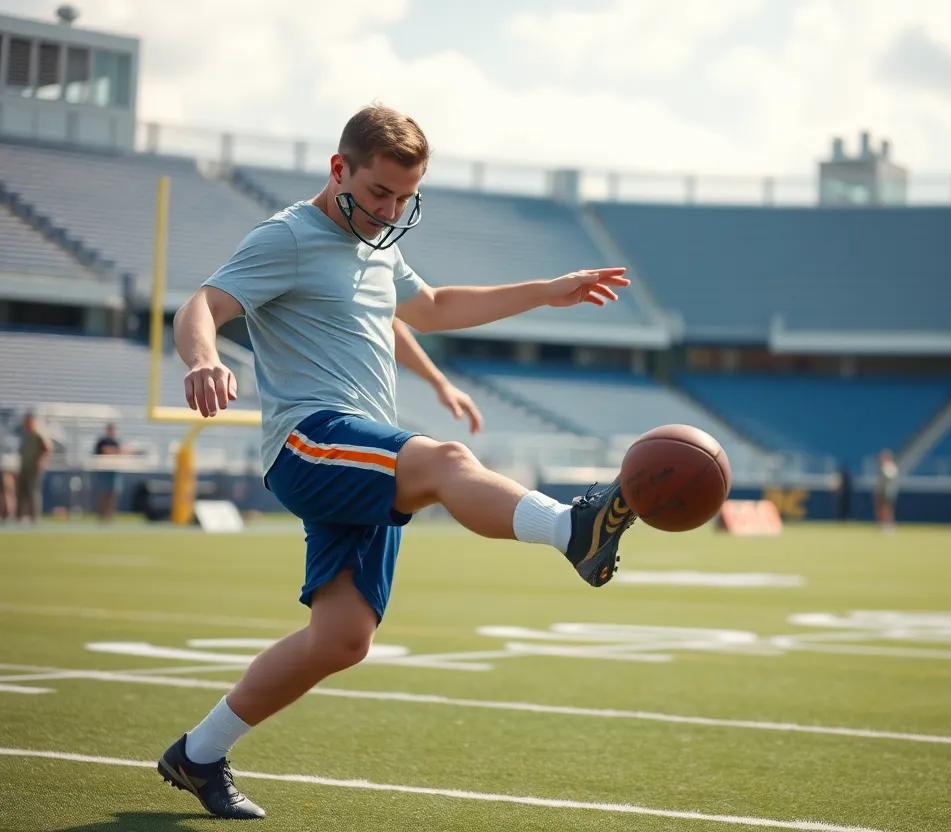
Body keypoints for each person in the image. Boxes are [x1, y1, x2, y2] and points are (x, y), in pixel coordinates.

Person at [157, 104, 636, 820]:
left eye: (405, 198)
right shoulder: (287, 236)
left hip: (360, 446)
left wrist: (547, 290)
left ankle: (196, 755)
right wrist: (201, 360)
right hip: (308, 441)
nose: (388, 210)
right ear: (338, 169)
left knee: (343, 639)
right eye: (378, 192)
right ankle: (574, 529)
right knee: (445, 460)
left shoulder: (377, 244)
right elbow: (202, 302)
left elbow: (433, 307)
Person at [15, 412, 51, 525]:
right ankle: (20, 517)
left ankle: (34, 518)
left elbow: (48, 448)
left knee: (33, 492)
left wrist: (41, 461)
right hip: (22, 467)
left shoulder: (38, 434)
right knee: (21, 492)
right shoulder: (23, 434)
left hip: (34, 468)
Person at [93, 423, 125, 522]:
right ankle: (102, 515)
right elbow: (105, 451)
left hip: (113, 470)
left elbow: (121, 452)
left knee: (113, 494)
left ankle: (110, 514)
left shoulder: (116, 442)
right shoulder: (101, 441)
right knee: (103, 493)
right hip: (103, 470)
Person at [874, 449, 899, 533]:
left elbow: (890, 480)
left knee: (887, 509)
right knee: (880, 509)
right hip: (882, 491)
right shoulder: (883, 467)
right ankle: (881, 525)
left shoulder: (890, 467)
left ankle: (888, 525)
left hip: (887, 491)